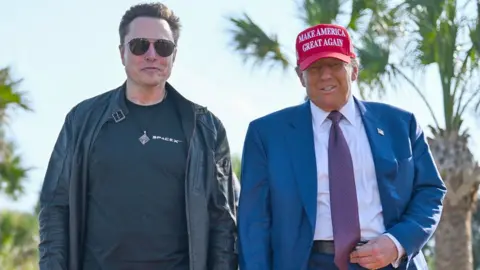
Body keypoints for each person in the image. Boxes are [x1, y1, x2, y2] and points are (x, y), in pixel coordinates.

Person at [37, 3, 237, 270]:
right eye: (140, 45)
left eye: (163, 47)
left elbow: (223, 221)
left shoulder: (206, 128)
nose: (152, 55)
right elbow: (55, 207)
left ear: (174, 56)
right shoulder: (82, 120)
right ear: (122, 53)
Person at [237, 23, 446, 270]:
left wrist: (397, 242)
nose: (325, 75)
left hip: (389, 262)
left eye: (335, 65)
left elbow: (430, 191)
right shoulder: (267, 134)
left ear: (354, 69)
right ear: (300, 77)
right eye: (314, 67)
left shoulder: (401, 125)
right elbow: (254, 222)